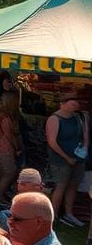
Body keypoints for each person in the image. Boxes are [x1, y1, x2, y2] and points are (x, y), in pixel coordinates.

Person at [44, 89, 87, 227]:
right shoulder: (54, 119)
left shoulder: (77, 117)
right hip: (60, 160)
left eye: (76, 103)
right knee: (60, 186)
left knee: (73, 186)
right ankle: (53, 216)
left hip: (77, 157)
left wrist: (84, 149)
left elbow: (84, 135)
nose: (75, 105)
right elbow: (52, 142)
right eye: (72, 103)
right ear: (63, 104)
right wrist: (67, 157)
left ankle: (69, 214)